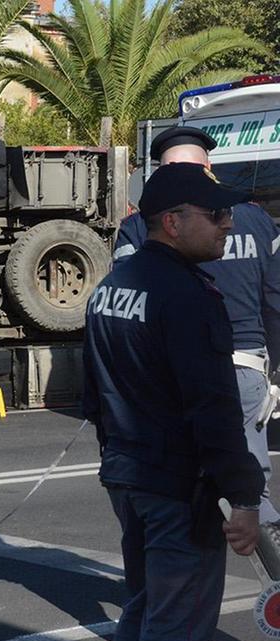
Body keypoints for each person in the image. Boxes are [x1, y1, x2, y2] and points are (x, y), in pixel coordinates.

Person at [82, 163, 264, 641]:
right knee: (177, 631)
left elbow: (94, 394)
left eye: (227, 213)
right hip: (175, 488)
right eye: (216, 215)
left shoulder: (110, 288)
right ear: (172, 222)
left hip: (128, 477)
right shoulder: (188, 296)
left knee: (144, 612)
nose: (227, 225)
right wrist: (246, 497)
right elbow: (214, 407)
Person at [113, 126, 280, 555]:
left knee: (175, 489)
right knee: (251, 491)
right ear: (208, 168)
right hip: (246, 368)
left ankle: (168, 587)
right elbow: (275, 301)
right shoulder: (256, 218)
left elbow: (128, 311)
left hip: (173, 381)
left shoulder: (139, 228)